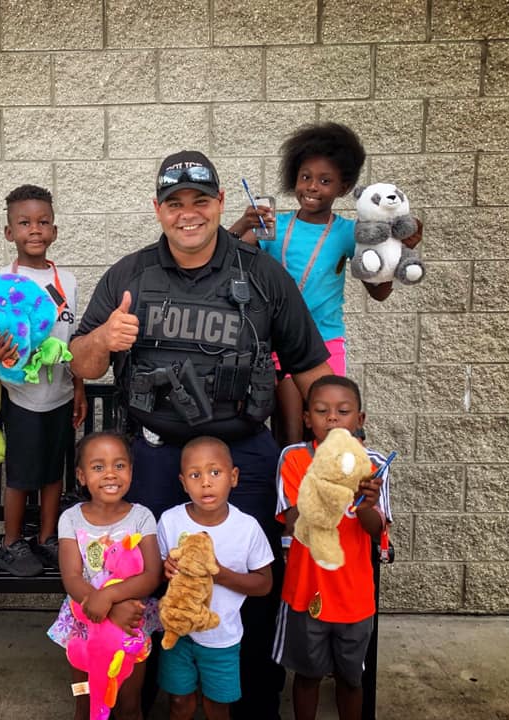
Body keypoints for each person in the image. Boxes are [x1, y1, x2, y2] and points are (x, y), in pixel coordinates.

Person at [69, 149, 333, 718]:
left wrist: (337, 443)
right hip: (160, 460)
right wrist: (102, 340)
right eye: (174, 203)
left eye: (200, 201)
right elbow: (81, 365)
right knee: (155, 580)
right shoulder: (130, 274)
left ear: (218, 204)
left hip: (243, 457)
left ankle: (253, 697)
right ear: (158, 210)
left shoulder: (261, 274)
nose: (188, 214)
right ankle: (170, 695)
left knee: (253, 579)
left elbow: (311, 366)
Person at [228, 123, 421, 446]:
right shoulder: (274, 226)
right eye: (305, 177)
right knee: (289, 434)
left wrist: (398, 252)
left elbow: (380, 292)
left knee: (331, 435)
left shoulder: (348, 232)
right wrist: (243, 223)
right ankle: (289, 495)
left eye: (325, 180)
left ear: (344, 188)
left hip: (326, 345)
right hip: (278, 345)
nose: (312, 187)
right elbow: (227, 259)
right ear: (294, 178)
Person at [0, 184, 88, 576]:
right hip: (21, 394)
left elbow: (72, 341)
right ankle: (11, 542)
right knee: (23, 473)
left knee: (53, 473)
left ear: (55, 230)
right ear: (10, 232)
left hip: (60, 394)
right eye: (24, 223)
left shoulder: (69, 282)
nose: (35, 230)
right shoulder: (1, 283)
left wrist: (78, 388)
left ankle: (46, 538)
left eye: (43, 222)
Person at [272, 375, 392, 720]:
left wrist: (367, 504)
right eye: (322, 411)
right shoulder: (294, 458)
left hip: (354, 597)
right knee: (307, 676)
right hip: (305, 591)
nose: (333, 419)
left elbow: (375, 530)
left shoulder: (371, 463)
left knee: (351, 679)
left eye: (343, 411)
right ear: (307, 418)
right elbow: (294, 521)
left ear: (360, 420)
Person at [157, 436, 274, 720]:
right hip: (178, 633)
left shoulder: (246, 528)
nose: (206, 483)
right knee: (179, 702)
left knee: (217, 707)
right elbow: (158, 569)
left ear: (233, 477)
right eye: (195, 475)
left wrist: (221, 575)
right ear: (184, 482)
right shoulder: (170, 521)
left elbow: (264, 584)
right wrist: (166, 569)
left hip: (223, 639)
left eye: (215, 472)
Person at [48, 431, 162, 720]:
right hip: (83, 627)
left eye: (119, 465)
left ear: (131, 471)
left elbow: (152, 575)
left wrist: (110, 596)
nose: (110, 474)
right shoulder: (71, 518)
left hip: (130, 627)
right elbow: (72, 577)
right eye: (98, 467)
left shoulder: (142, 517)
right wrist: (108, 610)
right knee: (85, 702)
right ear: (82, 476)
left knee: (129, 704)